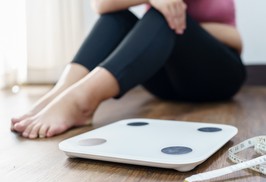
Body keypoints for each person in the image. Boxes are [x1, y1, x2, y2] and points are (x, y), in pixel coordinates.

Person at [11, 0, 246, 139]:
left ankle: (81, 101)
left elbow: (236, 39)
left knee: (163, 17)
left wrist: (180, 23)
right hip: (165, 83)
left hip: (218, 77)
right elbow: (100, 4)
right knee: (117, 17)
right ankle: (62, 91)